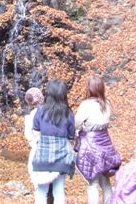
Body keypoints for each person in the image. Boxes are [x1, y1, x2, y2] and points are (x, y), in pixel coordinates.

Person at [75, 75, 121, 204]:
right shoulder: (107, 103)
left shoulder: (86, 105)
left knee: (92, 184)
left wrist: (80, 129)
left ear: (89, 88)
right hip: (106, 144)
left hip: (90, 146)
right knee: (105, 182)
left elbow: (75, 123)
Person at [32, 80, 75, 204]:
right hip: (62, 157)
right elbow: (71, 136)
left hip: (43, 155)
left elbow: (36, 133)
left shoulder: (40, 111)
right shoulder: (68, 113)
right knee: (58, 191)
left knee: (41, 192)